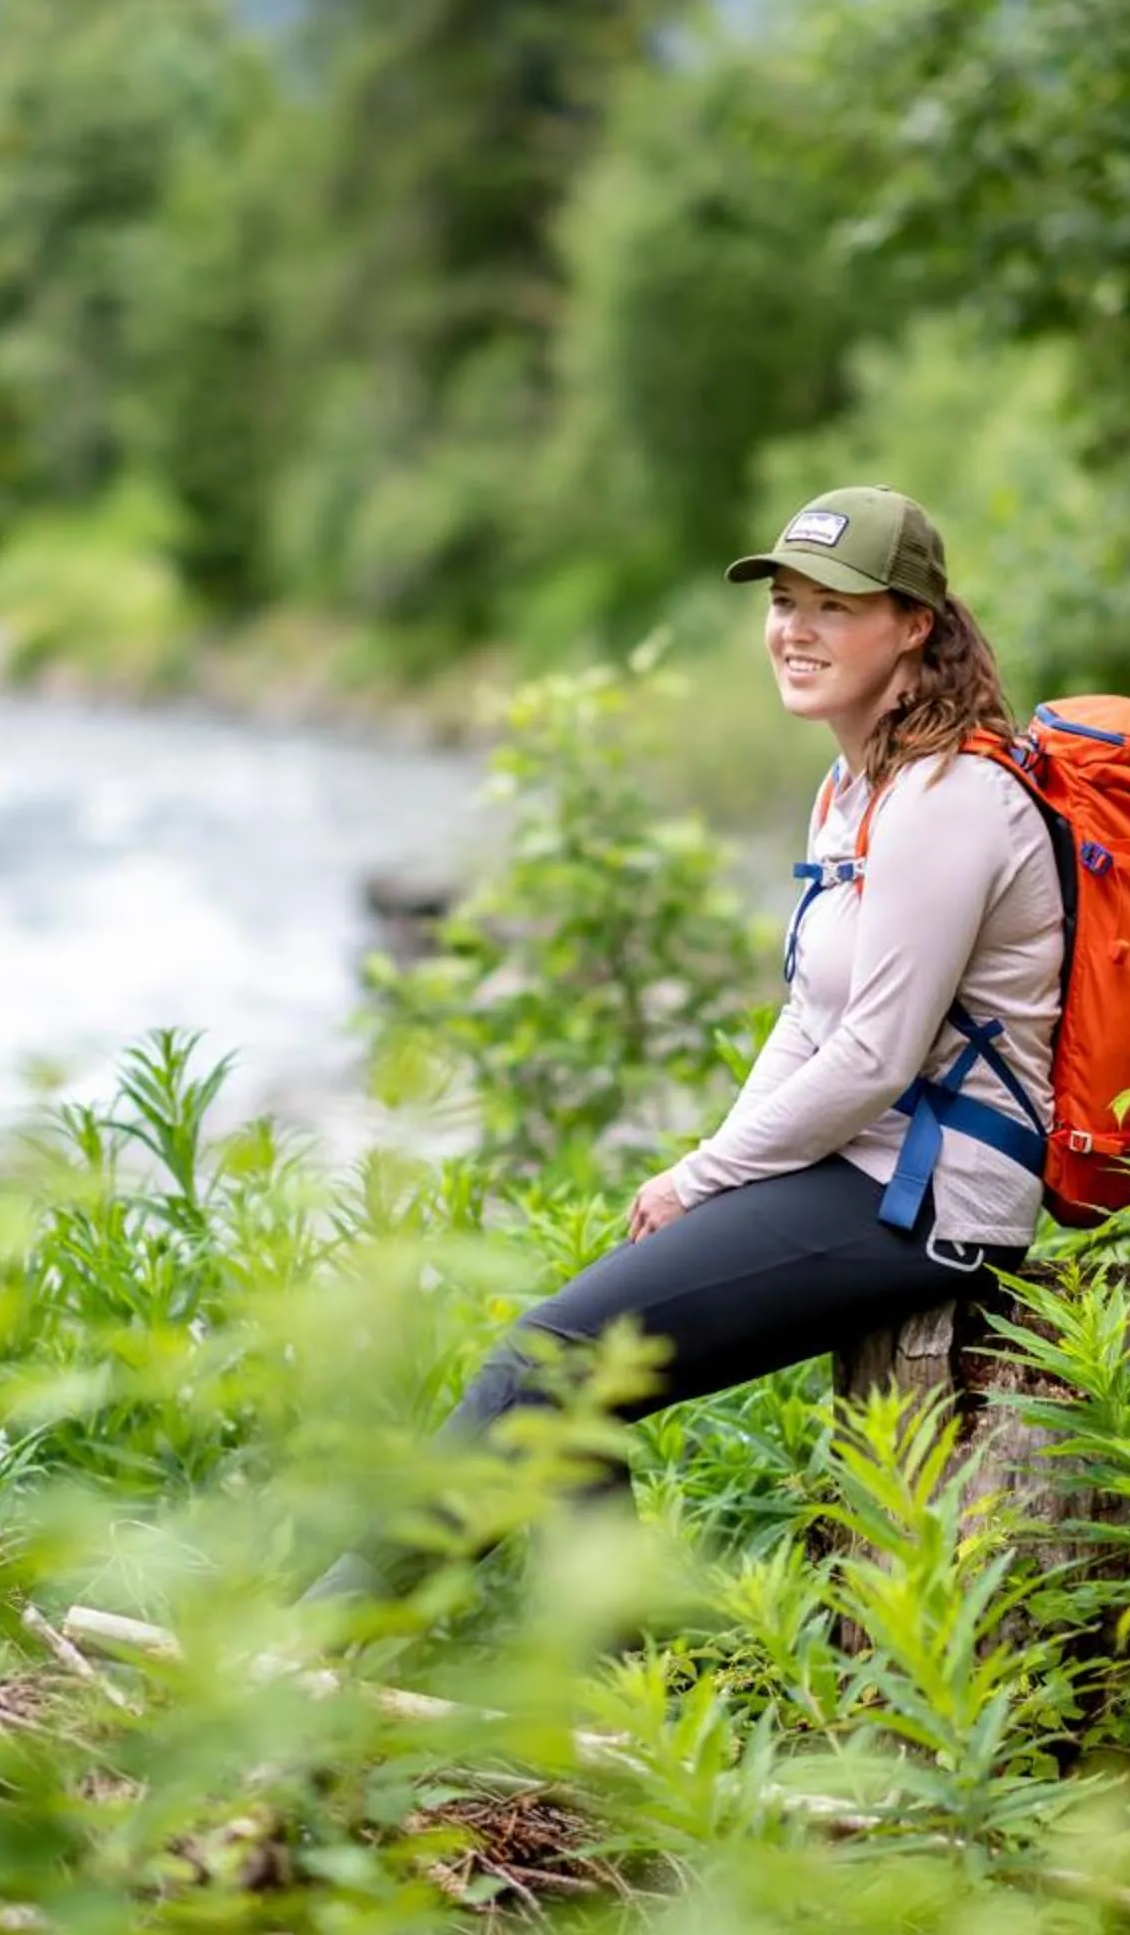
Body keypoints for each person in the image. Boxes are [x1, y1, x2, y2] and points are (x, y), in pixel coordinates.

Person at [306, 485, 1067, 1605]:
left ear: (915, 624)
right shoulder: (854, 782)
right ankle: (629, 1692)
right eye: (785, 602)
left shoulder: (949, 796)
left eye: (834, 606)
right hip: (858, 1169)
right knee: (570, 1373)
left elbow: (874, 1055)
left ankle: (321, 1638)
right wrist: (719, 1161)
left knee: (550, 1361)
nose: (795, 630)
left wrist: (708, 1171)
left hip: (931, 1197)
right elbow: (810, 1014)